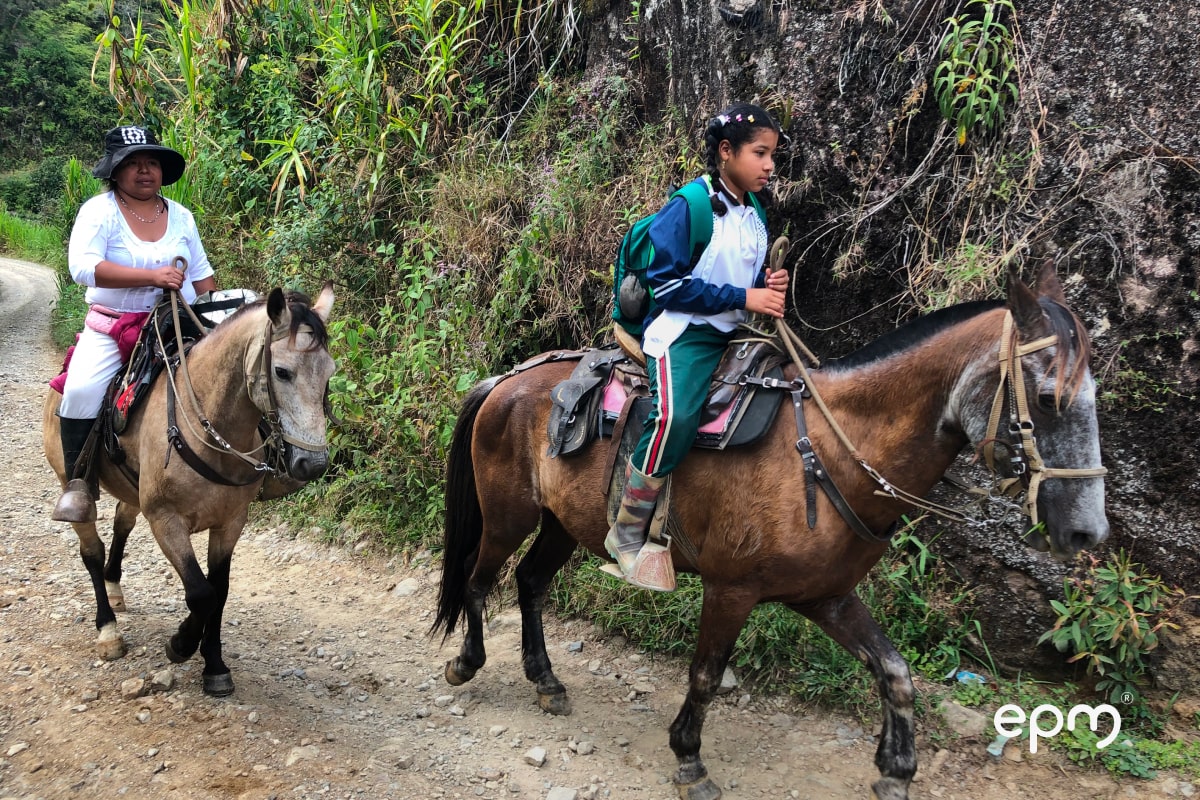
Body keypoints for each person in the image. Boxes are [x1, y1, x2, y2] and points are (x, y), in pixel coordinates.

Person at [604, 103, 789, 591]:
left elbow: (739, 276)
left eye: (772, 155)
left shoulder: (754, 211)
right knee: (677, 416)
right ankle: (626, 531)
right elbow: (668, 287)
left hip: (736, 330)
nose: (769, 165)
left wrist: (766, 285)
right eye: (759, 153)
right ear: (726, 152)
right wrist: (745, 295)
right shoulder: (689, 205)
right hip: (685, 331)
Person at [53, 125, 215, 523]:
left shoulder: (181, 217)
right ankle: (80, 485)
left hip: (176, 321)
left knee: (228, 376)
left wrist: (214, 317)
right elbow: (83, 267)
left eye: (152, 163)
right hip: (113, 326)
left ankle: (253, 468)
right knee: (81, 389)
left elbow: (202, 276)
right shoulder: (99, 211)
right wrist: (151, 277)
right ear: (115, 170)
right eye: (133, 163)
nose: (145, 171)